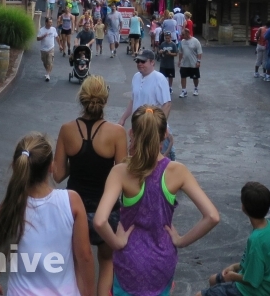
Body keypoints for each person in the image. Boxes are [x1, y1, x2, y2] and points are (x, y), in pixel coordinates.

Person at [94, 105, 220, 296]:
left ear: (132, 133)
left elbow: (100, 220)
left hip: (129, 260)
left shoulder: (120, 172)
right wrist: (181, 240)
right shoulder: (177, 171)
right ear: (163, 136)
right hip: (162, 260)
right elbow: (212, 216)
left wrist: (117, 243)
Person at [0, 134, 95, 296]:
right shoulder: (72, 201)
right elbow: (84, 256)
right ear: (51, 167)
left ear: (16, 167)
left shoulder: (7, 208)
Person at [52, 77, 128, 296]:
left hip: (74, 213)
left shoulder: (67, 130)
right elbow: (121, 176)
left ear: (81, 98)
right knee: (106, 261)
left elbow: (57, 175)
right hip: (107, 213)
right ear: (105, 100)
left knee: (78, 262)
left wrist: (76, 164)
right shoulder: (116, 133)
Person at [196, 182, 270, 296]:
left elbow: (252, 281)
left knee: (199, 295)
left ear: (243, 208)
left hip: (255, 292)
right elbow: (260, 263)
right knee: (213, 280)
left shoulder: (256, 240)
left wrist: (233, 276)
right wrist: (235, 266)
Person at [118, 49, 172, 127]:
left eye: (143, 61)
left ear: (152, 62)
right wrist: (123, 119)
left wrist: (159, 127)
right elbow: (133, 101)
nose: (139, 63)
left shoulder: (160, 79)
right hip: (137, 125)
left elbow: (167, 105)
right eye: (137, 61)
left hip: (152, 126)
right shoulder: (136, 77)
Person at [178, 27, 204, 98]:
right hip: (184, 63)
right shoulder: (182, 42)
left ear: (187, 33)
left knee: (195, 77)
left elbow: (199, 52)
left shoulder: (195, 41)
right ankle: (184, 90)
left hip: (193, 62)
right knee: (183, 76)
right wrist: (179, 61)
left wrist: (198, 61)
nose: (182, 36)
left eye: (183, 34)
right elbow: (180, 52)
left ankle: (196, 88)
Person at [156, 28, 180, 93]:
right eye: (166, 38)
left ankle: (170, 87)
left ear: (170, 37)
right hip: (163, 63)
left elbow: (176, 53)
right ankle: (163, 87)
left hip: (170, 64)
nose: (167, 39)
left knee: (170, 76)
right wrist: (160, 52)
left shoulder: (173, 44)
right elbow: (158, 52)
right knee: (162, 77)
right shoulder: (163, 44)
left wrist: (170, 53)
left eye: (168, 38)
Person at [37, 16, 58, 82]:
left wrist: (60, 45)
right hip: (43, 49)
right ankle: (47, 71)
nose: (51, 24)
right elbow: (37, 39)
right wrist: (43, 36)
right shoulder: (41, 30)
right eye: (49, 22)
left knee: (49, 62)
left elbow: (57, 37)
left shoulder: (53, 29)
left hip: (51, 48)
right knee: (44, 62)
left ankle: (48, 74)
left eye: (51, 22)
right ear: (46, 23)